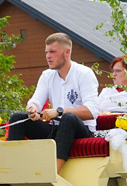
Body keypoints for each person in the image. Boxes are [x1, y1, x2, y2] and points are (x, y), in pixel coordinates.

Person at [7, 32, 100, 173]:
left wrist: (59, 111)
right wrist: (32, 110)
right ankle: (14, 170)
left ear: (67, 52)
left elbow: (92, 111)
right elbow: (35, 101)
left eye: (52, 52)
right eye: (46, 52)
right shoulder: (47, 75)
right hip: (56, 129)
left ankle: (53, 173)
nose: (48, 56)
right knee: (18, 117)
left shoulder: (84, 74)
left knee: (68, 118)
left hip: (82, 130)